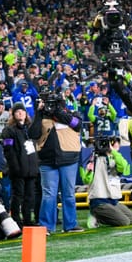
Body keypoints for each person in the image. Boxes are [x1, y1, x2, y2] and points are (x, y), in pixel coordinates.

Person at [28, 98, 84, 234]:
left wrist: (58, 112)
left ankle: (70, 225)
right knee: (49, 194)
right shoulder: (41, 117)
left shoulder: (73, 114)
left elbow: (77, 125)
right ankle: (46, 226)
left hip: (69, 158)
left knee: (69, 194)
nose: (50, 107)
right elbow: (32, 134)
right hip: (47, 160)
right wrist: (39, 113)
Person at [80, 138, 132, 228]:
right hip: (99, 201)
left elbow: (123, 166)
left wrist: (113, 152)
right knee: (124, 221)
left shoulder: (116, 159)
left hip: (113, 201)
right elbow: (86, 180)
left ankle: (104, 216)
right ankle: (96, 216)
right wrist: (89, 171)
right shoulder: (94, 160)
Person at [1, 102, 39, 228]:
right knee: (18, 195)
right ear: (13, 114)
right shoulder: (8, 130)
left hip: (31, 169)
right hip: (18, 170)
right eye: (17, 111)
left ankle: (28, 219)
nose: (20, 113)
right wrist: (15, 167)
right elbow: (8, 151)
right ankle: (16, 220)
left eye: (22, 111)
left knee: (30, 196)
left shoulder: (30, 129)